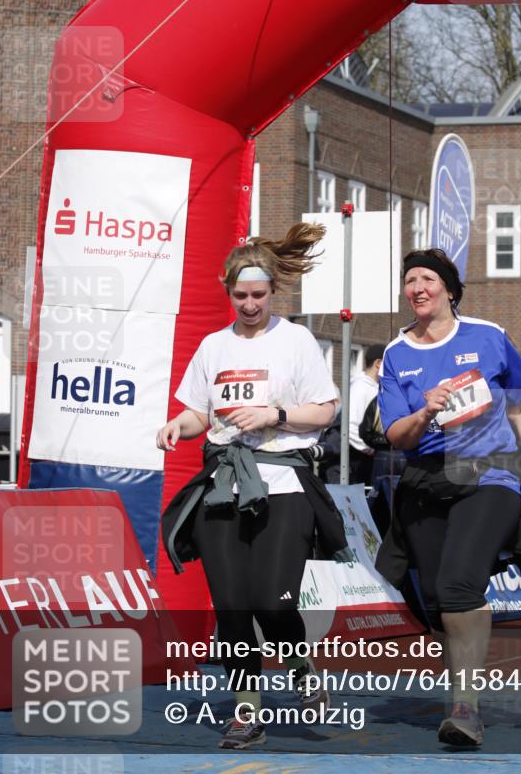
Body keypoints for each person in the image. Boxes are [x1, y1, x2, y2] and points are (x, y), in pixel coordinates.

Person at [159, 223, 351, 750]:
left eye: (259, 295)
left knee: (272, 602)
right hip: (223, 484)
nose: (249, 304)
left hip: (284, 481)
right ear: (228, 292)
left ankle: (298, 662)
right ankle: (246, 711)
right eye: (240, 295)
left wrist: (276, 413)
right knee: (231, 607)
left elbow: (327, 411)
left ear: (273, 292)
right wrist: (180, 425)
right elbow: (199, 413)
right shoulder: (213, 346)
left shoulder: (296, 340)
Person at [375, 248, 521, 748]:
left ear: (450, 290)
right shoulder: (396, 355)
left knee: (459, 584)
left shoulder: (489, 336)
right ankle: (459, 690)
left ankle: (465, 707)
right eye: (409, 280)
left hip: (488, 476)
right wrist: (426, 413)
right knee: (437, 598)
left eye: (428, 279)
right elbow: (397, 434)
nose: (417, 287)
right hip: (424, 481)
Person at [347, 344, 385, 485]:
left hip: (372, 454)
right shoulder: (360, 388)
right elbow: (350, 425)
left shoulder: (376, 388)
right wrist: (369, 449)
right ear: (378, 363)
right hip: (361, 459)